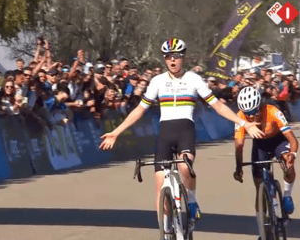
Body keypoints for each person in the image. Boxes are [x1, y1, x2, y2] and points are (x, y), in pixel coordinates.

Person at [100, 38, 264, 226]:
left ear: (183, 58)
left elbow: (218, 106)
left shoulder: (194, 80)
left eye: (176, 56)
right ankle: (166, 229)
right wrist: (116, 132)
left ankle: (192, 200)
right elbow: (139, 109)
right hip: (165, 133)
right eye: (168, 56)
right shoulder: (157, 81)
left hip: (185, 131)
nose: (172, 60)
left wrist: (244, 123)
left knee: (185, 167)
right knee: (160, 182)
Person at [233, 87, 297, 240]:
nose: (251, 117)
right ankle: (262, 230)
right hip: (260, 145)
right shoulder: (240, 117)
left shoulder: (273, 111)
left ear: (260, 106)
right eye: (247, 114)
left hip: (278, 141)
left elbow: (293, 141)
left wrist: (292, 155)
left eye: (254, 112)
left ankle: (287, 194)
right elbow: (239, 146)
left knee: (287, 166)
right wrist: (238, 167)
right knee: (259, 186)